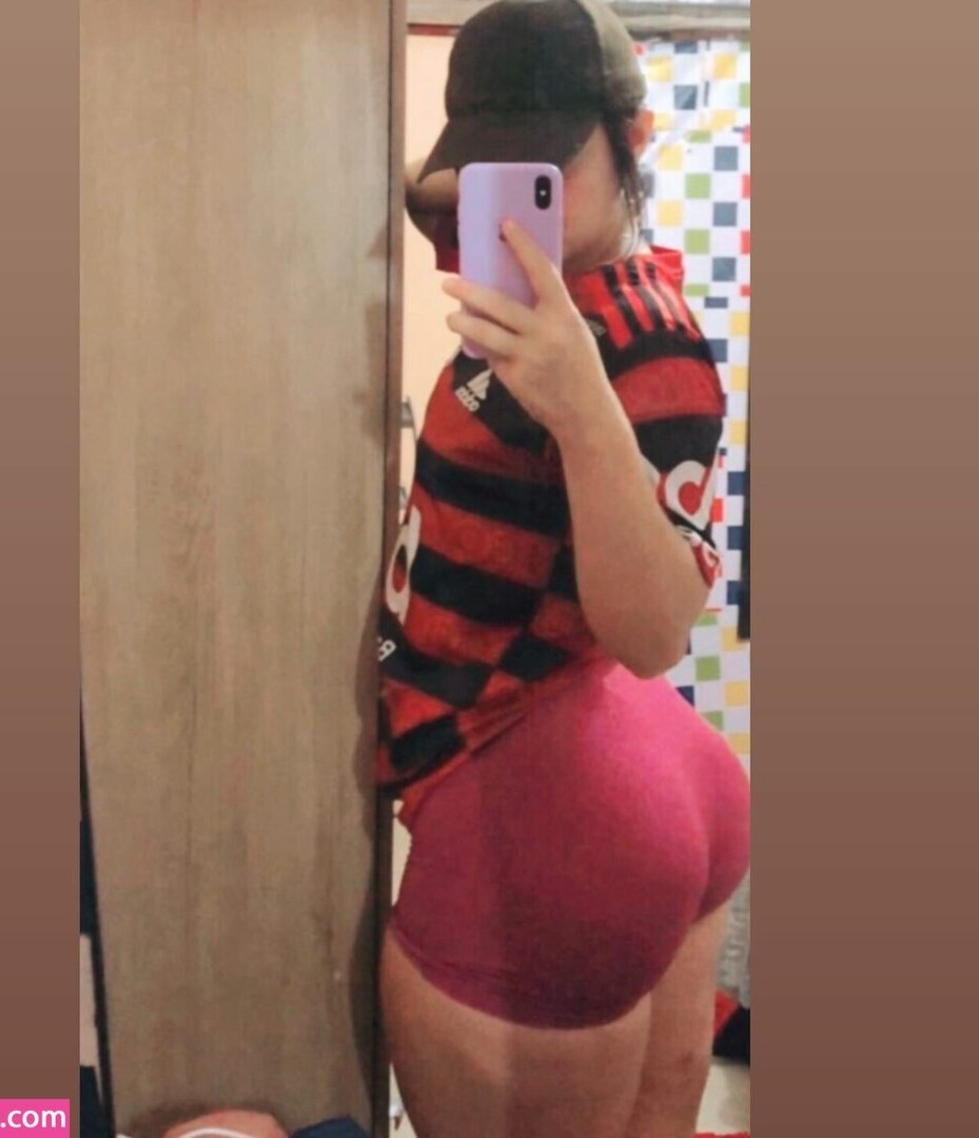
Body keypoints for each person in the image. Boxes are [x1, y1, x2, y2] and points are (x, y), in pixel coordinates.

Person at [376, 3, 751, 1136]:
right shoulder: (535, 286)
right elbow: (422, 197)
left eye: (544, 166)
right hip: (603, 780)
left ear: (634, 140)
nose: (508, 200)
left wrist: (584, 408)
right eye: (491, 167)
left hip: (542, 800)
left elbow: (653, 631)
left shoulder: (646, 348)